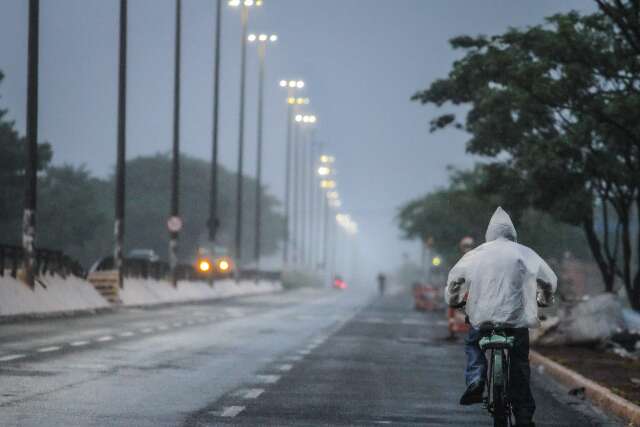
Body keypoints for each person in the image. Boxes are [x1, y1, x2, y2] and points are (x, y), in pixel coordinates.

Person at [445, 207, 556, 427]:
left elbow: (455, 279)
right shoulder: (525, 253)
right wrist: (543, 299)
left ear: (489, 233)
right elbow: (549, 280)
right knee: (519, 363)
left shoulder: (476, 254)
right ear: (512, 233)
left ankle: (476, 379)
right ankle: (523, 415)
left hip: (482, 318)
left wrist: (455, 300)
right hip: (516, 321)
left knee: (474, 344)